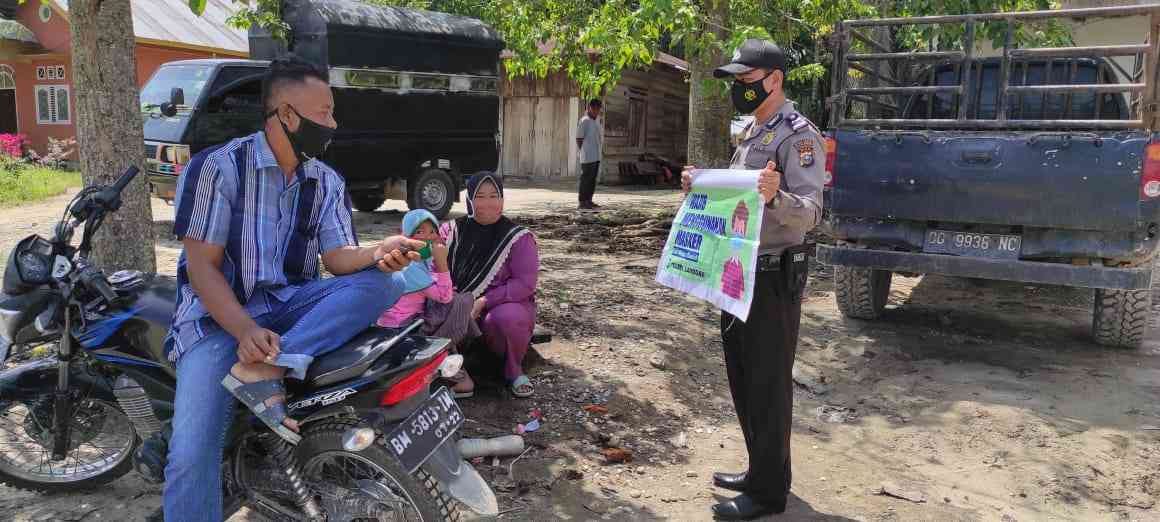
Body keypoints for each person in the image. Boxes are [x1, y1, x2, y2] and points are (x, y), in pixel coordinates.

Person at [160, 55, 426, 522]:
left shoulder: (324, 180)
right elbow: (202, 269)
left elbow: (338, 258)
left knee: (386, 282)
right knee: (190, 456)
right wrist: (243, 330)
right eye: (323, 113)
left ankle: (269, 369)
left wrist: (379, 251)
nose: (332, 123)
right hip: (217, 320)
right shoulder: (219, 168)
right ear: (286, 114)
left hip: (290, 308)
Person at [681, 39, 824, 520]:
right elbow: (738, 198)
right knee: (743, 376)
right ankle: (763, 468)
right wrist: (703, 182)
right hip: (737, 271)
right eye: (737, 82)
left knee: (767, 381)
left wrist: (777, 196)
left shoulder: (799, 137)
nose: (740, 89)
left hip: (773, 277)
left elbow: (810, 214)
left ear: (774, 79)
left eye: (746, 80)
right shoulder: (751, 131)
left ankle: (768, 493)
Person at [441, 172, 540, 397]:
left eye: (494, 195)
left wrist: (484, 301)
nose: (487, 203)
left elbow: (525, 284)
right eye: (480, 196)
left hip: (498, 305)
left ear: (502, 200)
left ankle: (513, 371)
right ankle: (452, 370)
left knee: (507, 318)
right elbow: (432, 265)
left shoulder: (517, 237)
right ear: (469, 200)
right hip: (455, 302)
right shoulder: (450, 231)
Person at [576, 98, 604, 210]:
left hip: (596, 155)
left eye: (598, 109)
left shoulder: (596, 121)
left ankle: (589, 200)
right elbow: (579, 138)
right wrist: (583, 151)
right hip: (587, 156)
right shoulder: (585, 121)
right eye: (594, 109)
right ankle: (582, 201)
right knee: (586, 179)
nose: (596, 111)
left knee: (592, 179)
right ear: (589, 108)